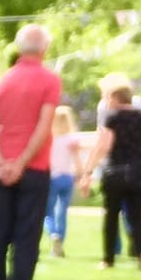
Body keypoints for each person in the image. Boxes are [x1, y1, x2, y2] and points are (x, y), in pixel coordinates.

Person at [0, 25, 64, 280]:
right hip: (34, 167)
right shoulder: (49, 80)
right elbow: (44, 126)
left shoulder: (3, 81)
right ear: (45, 49)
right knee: (26, 235)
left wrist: (1, 163)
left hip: (3, 168)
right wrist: (22, 162)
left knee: (0, 234)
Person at [80, 77, 141, 270]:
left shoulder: (113, 119)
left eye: (107, 97)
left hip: (117, 173)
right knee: (137, 216)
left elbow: (104, 146)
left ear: (116, 98)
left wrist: (88, 171)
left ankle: (108, 259)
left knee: (111, 216)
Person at [43, 106, 80, 257]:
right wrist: (82, 175)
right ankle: (59, 242)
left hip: (52, 177)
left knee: (47, 212)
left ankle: (53, 234)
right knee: (62, 212)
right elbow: (77, 161)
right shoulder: (72, 139)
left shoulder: (49, 139)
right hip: (67, 177)